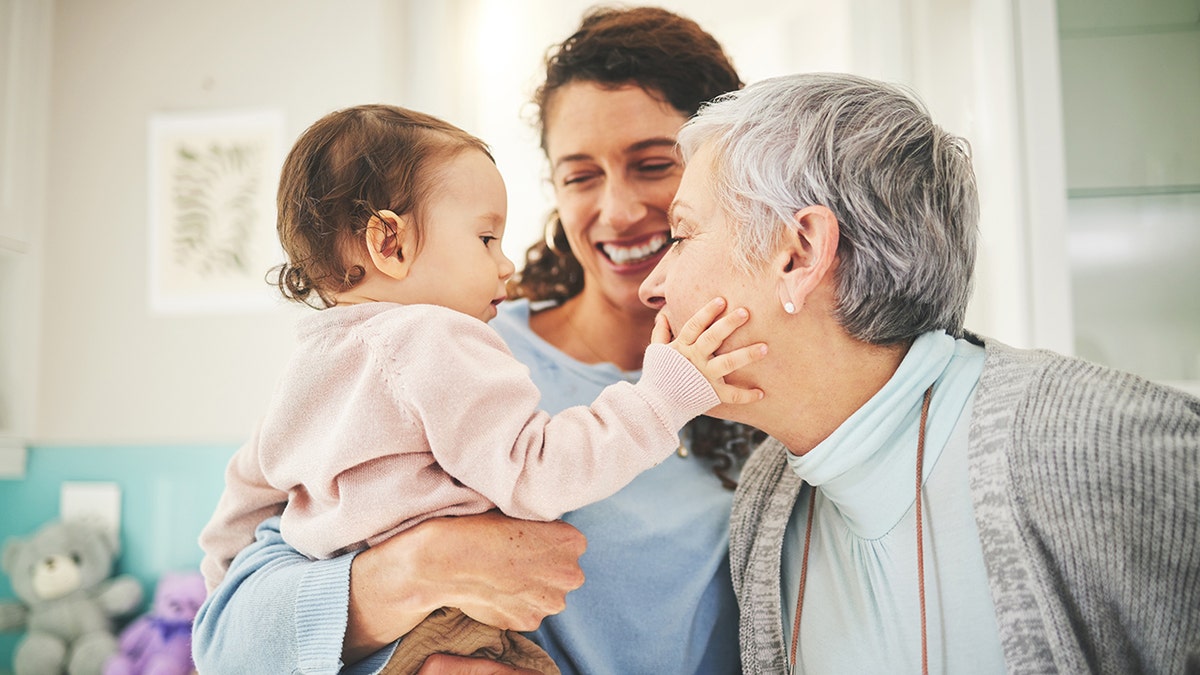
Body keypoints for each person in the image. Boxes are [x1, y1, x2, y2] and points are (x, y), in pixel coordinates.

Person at [192, 7, 761, 674]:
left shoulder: (767, 383)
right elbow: (227, 639)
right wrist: (417, 570)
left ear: (726, 170)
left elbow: (232, 523)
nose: (617, 209)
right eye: (580, 175)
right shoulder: (460, 348)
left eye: (653, 164)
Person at [636, 71, 1200, 674]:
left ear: (799, 254)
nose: (651, 287)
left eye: (681, 235)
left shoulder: (1099, 443)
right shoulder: (766, 498)